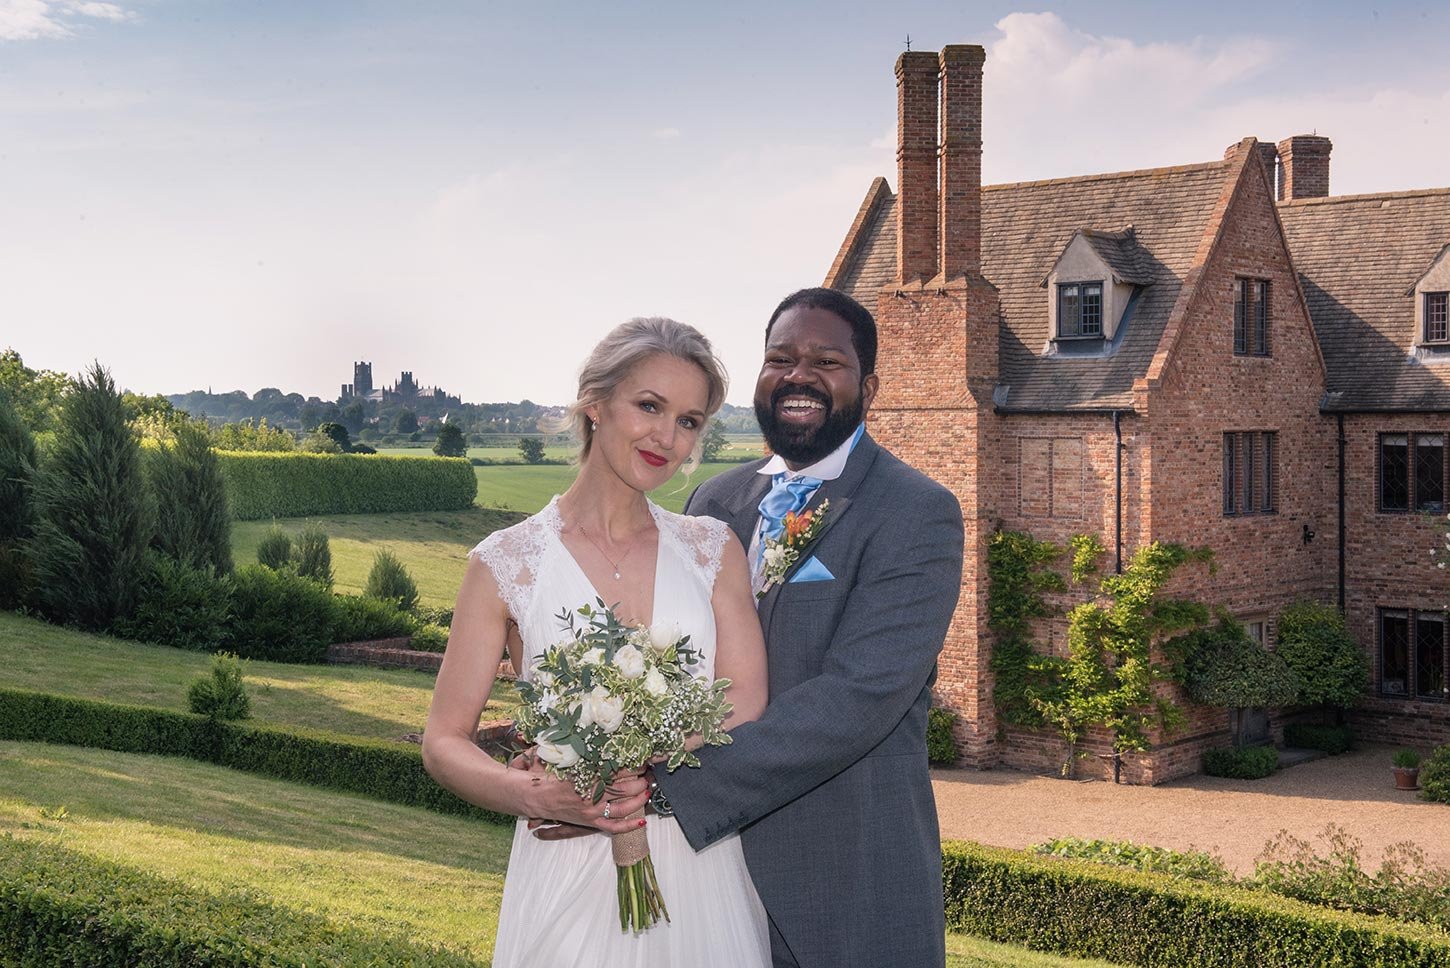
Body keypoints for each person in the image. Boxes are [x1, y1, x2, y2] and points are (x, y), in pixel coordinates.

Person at [421, 317, 771, 967]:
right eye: (649, 406)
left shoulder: (712, 550)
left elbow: (744, 699)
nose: (668, 437)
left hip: (698, 867)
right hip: (565, 862)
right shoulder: (503, 563)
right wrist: (531, 793)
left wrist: (643, 765)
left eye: (690, 421)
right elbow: (443, 741)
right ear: (594, 403)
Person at [649, 287, 965, 967]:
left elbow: (858, 698)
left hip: (845, 882)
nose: (799, 375)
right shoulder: (714, 501)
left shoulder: (916, 512)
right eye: (781, 358)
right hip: (703, 878)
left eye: (827, 361)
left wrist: (666, 783)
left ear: (868, 387)